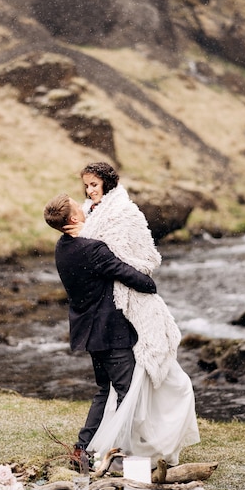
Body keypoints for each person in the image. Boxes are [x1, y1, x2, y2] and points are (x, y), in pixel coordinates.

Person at [63, 161, 200, 466]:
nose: (89, 190)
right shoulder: (89, 218)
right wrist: (142, 283)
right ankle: (118, 453)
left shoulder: (125, 213)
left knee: (123, 387)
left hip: (118, 313)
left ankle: (90, 447)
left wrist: (137, 280)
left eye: (94, 184)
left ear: (108, 183)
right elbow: (108, 261)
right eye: (85, 185)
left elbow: (144, 257)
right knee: (125, 389)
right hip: (109, 321)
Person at [43, 193, 158, 456]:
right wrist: (150, 284)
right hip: (109, 332)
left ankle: (83, 447)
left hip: (88, 331)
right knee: (128, 394)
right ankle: (127, 453)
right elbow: (126, 273)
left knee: (105, 390)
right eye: (78, 206)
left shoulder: (63, 246)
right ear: (73, 218)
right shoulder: (92, 248)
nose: (85, 207)